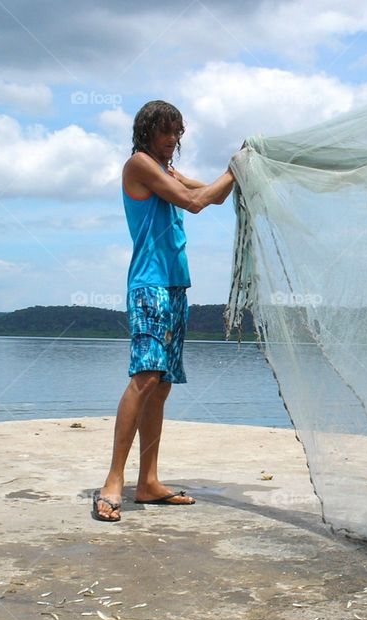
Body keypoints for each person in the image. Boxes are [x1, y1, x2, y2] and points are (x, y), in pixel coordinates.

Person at [92, 100, 236, 522]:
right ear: (146, 133)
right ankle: (113, 481)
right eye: (166, 132)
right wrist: (233, 170)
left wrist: (238, 169)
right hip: (149, 286)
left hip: (174, 287)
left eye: (177, 133)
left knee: (162, 384)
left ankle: (149, 482)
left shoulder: (166, 172)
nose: (173, 141)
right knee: (145, 376)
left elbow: (210, 194)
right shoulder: (139, 166)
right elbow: (193, 203)